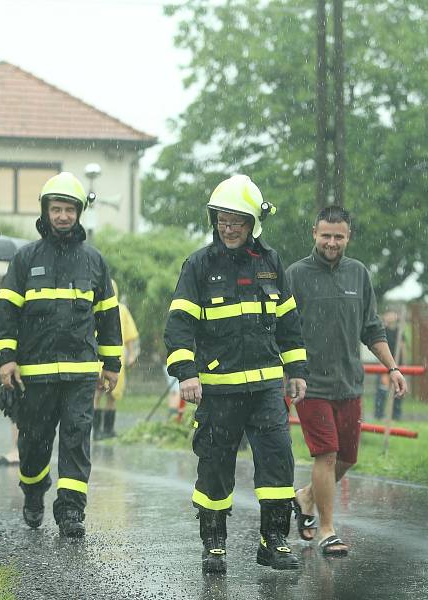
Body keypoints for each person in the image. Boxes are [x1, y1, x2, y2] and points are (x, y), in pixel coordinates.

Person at [164, 174, 308, 574]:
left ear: (253, 225)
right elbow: (178, 326)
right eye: (222, 220)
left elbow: (289, 321)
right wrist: (186, 373)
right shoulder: (198, 265)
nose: (228, 229)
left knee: (278, 463)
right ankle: (214, 545)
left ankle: (273, 542)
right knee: (214, 465)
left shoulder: (271, 263)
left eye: (237, 222)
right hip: (217, 390)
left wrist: (296, 369)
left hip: (265, 389)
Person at [0, 171, 122, 537]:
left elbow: (108, 317)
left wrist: (111, 365)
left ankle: (70, 512)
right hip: (36, 373)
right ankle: (33, 492)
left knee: (77, 440)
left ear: (79, 213)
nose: (63, 216)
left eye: (69, 210)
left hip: (80, 373)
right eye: (56, 209)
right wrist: (6, 360)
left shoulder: (94, 261)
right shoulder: (24, 259)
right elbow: (5, 315)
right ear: (45, 212)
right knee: (33, 444)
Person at [286, 205, 407, 556]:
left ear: (348, 237)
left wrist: (393, 368)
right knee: (326, 454)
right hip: (310, 383)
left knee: (348, 457)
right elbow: (282, 328)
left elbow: (372, 328)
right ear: (314, 233)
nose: (332, 242)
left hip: (349, 383)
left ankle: (306, 496)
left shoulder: (359, 273)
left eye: (339, 236)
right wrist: (289, 372)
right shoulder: (295, 275)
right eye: (326, 235)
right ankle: (327, 530)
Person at [93, 280, 140, 440]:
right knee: (98, 393)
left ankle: (108, 430)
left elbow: (130, 336)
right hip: (99, 358)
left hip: (117, 359)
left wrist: (132, 354)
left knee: (112, 395)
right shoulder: (95, 308)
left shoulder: (123, 310)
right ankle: (97, 431)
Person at [373, 309, 407, 420]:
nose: (389, 316)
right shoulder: (383, 331)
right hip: (385, 365)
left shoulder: (399, 332)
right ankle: (379, 414)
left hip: (397, 365)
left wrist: (404, 365)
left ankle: (396, 415)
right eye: (387, 314)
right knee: (382, 390)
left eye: (392, 314)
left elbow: (402, 348)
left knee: (398, 391)